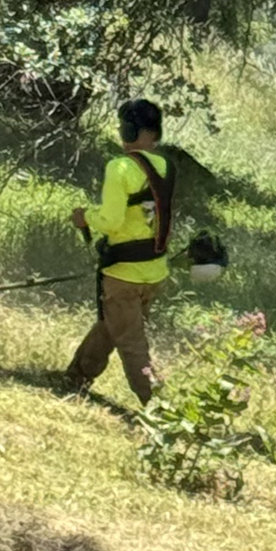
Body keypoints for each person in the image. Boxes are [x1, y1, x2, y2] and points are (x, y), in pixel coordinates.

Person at [63, 98, 175, 405]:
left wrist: (85, 217)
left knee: (131, 344)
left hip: (124, 273)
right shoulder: (164, 166)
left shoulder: (120, 167)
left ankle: (159, 409)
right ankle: (76, 377)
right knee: (113, 326)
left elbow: (111, 222)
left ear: (129, 130)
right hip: (154, 273)